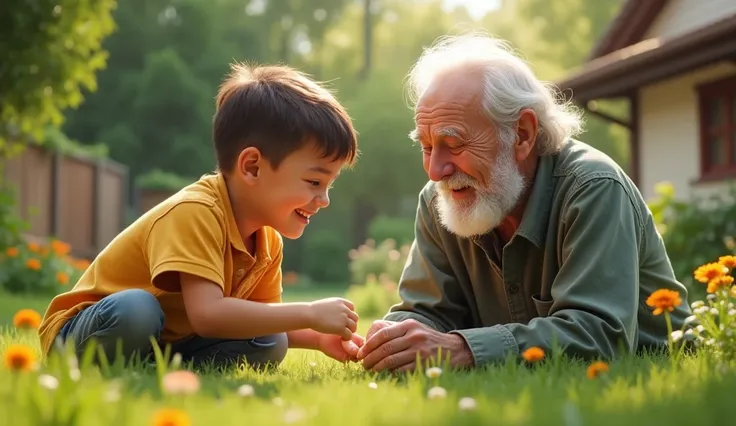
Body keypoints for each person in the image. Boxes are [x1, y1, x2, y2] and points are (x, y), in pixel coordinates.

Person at [355, 34, 693, 373]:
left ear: (522, 134)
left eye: (453, 143)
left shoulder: (594, 187)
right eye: (426, 147)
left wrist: (463, 350)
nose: (435, 170)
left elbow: (601, 335)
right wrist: (393, 337)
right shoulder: (440, 200)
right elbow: (427, 312)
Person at [39, 63, 364, 369]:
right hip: (86, 328)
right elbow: (208, 315)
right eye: (314, 182)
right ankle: (95, 362)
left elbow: (259, 317)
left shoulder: (266, 242)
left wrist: (317, 337)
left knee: (269, 340)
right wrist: (308, 312)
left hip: (168, 339)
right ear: (252, 166)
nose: (324, 200)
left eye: (329, 185)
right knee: (137, 310)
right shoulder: (197, 212)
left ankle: (154, 368)